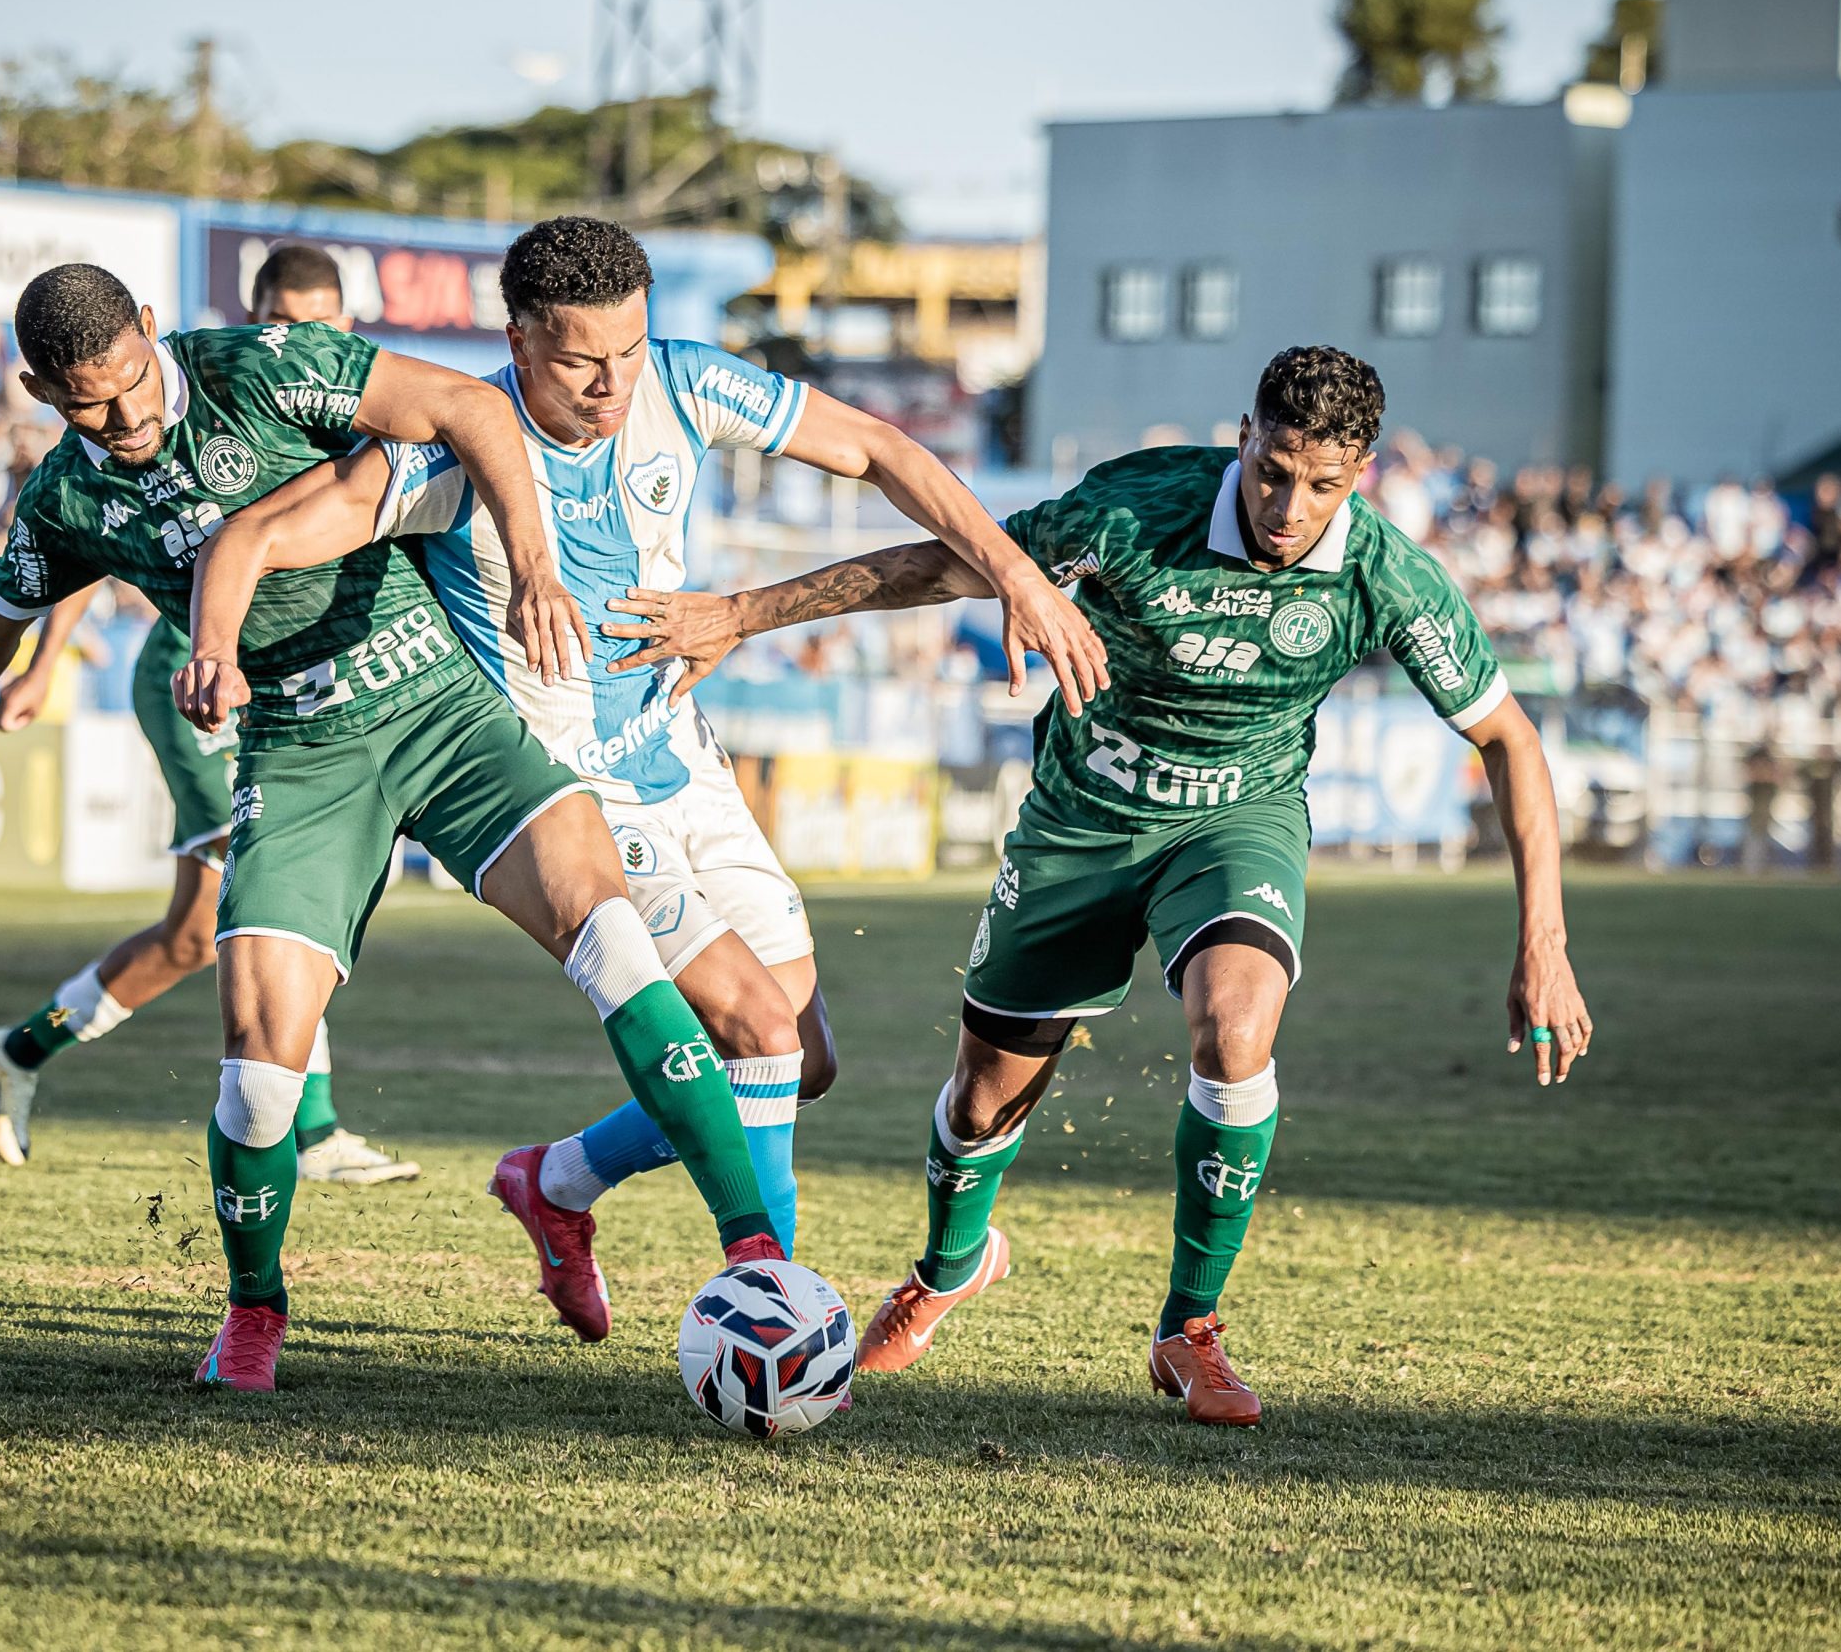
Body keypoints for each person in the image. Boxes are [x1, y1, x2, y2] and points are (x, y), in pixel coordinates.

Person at [0, 262, 785, 1394]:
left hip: (442, 708)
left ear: (150, 329)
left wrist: (534, 566)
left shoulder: (261, 366)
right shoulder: (64, 501)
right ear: (40, 391)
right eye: (89, 403)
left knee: (617, 947)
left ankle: (759, 1263)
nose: (125, 417)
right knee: (256, 1076)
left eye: (134, 381)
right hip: (298, 755)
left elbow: (472, 408)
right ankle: (254, 1309)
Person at [605, 345, 1595, 1424]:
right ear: (1245, 438)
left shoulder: (1385, 576)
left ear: (1358, 473)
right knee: (982, 1100)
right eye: (1272, 471)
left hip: (1235, 823)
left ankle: (1189, 1327)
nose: (1287, 507)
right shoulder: (1135, 508)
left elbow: (1508, 737)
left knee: (1235, 1030)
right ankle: (947, 1269)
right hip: (1080, 823)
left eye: (1320, 485)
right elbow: (946, 567)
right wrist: (741, 611)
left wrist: (1543, 943)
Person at [177, 215, 1106, 1343]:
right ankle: (776, 1326)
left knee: (801, 1060)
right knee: (756, 1030)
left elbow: (880, 451)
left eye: (629, 348)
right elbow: (262, 534)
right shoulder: (449, 452)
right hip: (571, 798)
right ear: (518, 341)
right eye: (580, 360)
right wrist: (216, 647)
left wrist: (1016, 576)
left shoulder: (684, 382)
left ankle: (556, 1181)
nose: (614, 383)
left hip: (682, 757)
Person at [0, 244, 414, 1186]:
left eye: (324, 325)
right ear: (258, 315)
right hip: (193, 685)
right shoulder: (208, 390)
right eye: (288, 320)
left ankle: (23, 1046)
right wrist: (44, 665)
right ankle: (315, 1131)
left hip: (287, 681)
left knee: (188, 937)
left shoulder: (332, 401)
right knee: (269, 900)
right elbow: (84, 544)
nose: (307, 338)